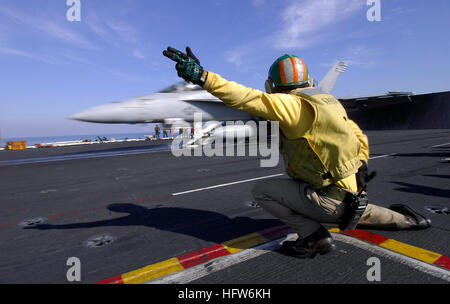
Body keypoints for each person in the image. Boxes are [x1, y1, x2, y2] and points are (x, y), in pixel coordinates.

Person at [163, 47, 431, 259]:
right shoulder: (328, 101)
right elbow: (358, 134)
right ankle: (413, 221)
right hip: (354, 195)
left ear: (273, 84)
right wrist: (360, 162)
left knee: (262, 191)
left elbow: (246, 97)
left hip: (327, 204)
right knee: (369, 213)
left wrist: (202, 77)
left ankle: (314, 237)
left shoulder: (291, 105)